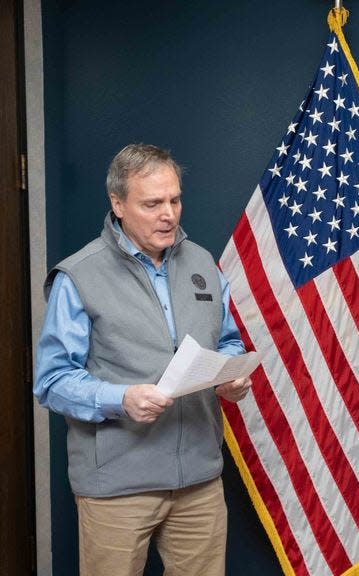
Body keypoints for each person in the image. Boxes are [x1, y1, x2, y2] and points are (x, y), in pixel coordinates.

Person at [34, 144, 253, 576]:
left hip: (199, 481)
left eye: (174, 200)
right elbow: (52, 380)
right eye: (152, 203)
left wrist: (231, 375)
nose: (168, 214)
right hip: (117, 486)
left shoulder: (203, 263)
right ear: (118, 204)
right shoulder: (78, 275)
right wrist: (121, 398)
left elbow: (226, 340)